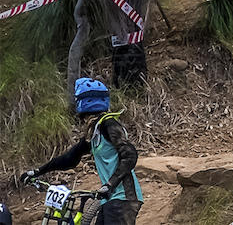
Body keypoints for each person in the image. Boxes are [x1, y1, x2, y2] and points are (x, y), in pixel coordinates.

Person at [20, 78, 143, 224]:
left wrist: (109, 184)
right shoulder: (94, 132)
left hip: (123, 198)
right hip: (110, 199)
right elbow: (70, 158)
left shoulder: (109, 125)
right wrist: (38, 171)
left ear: (81, 103)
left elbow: (130, 155)